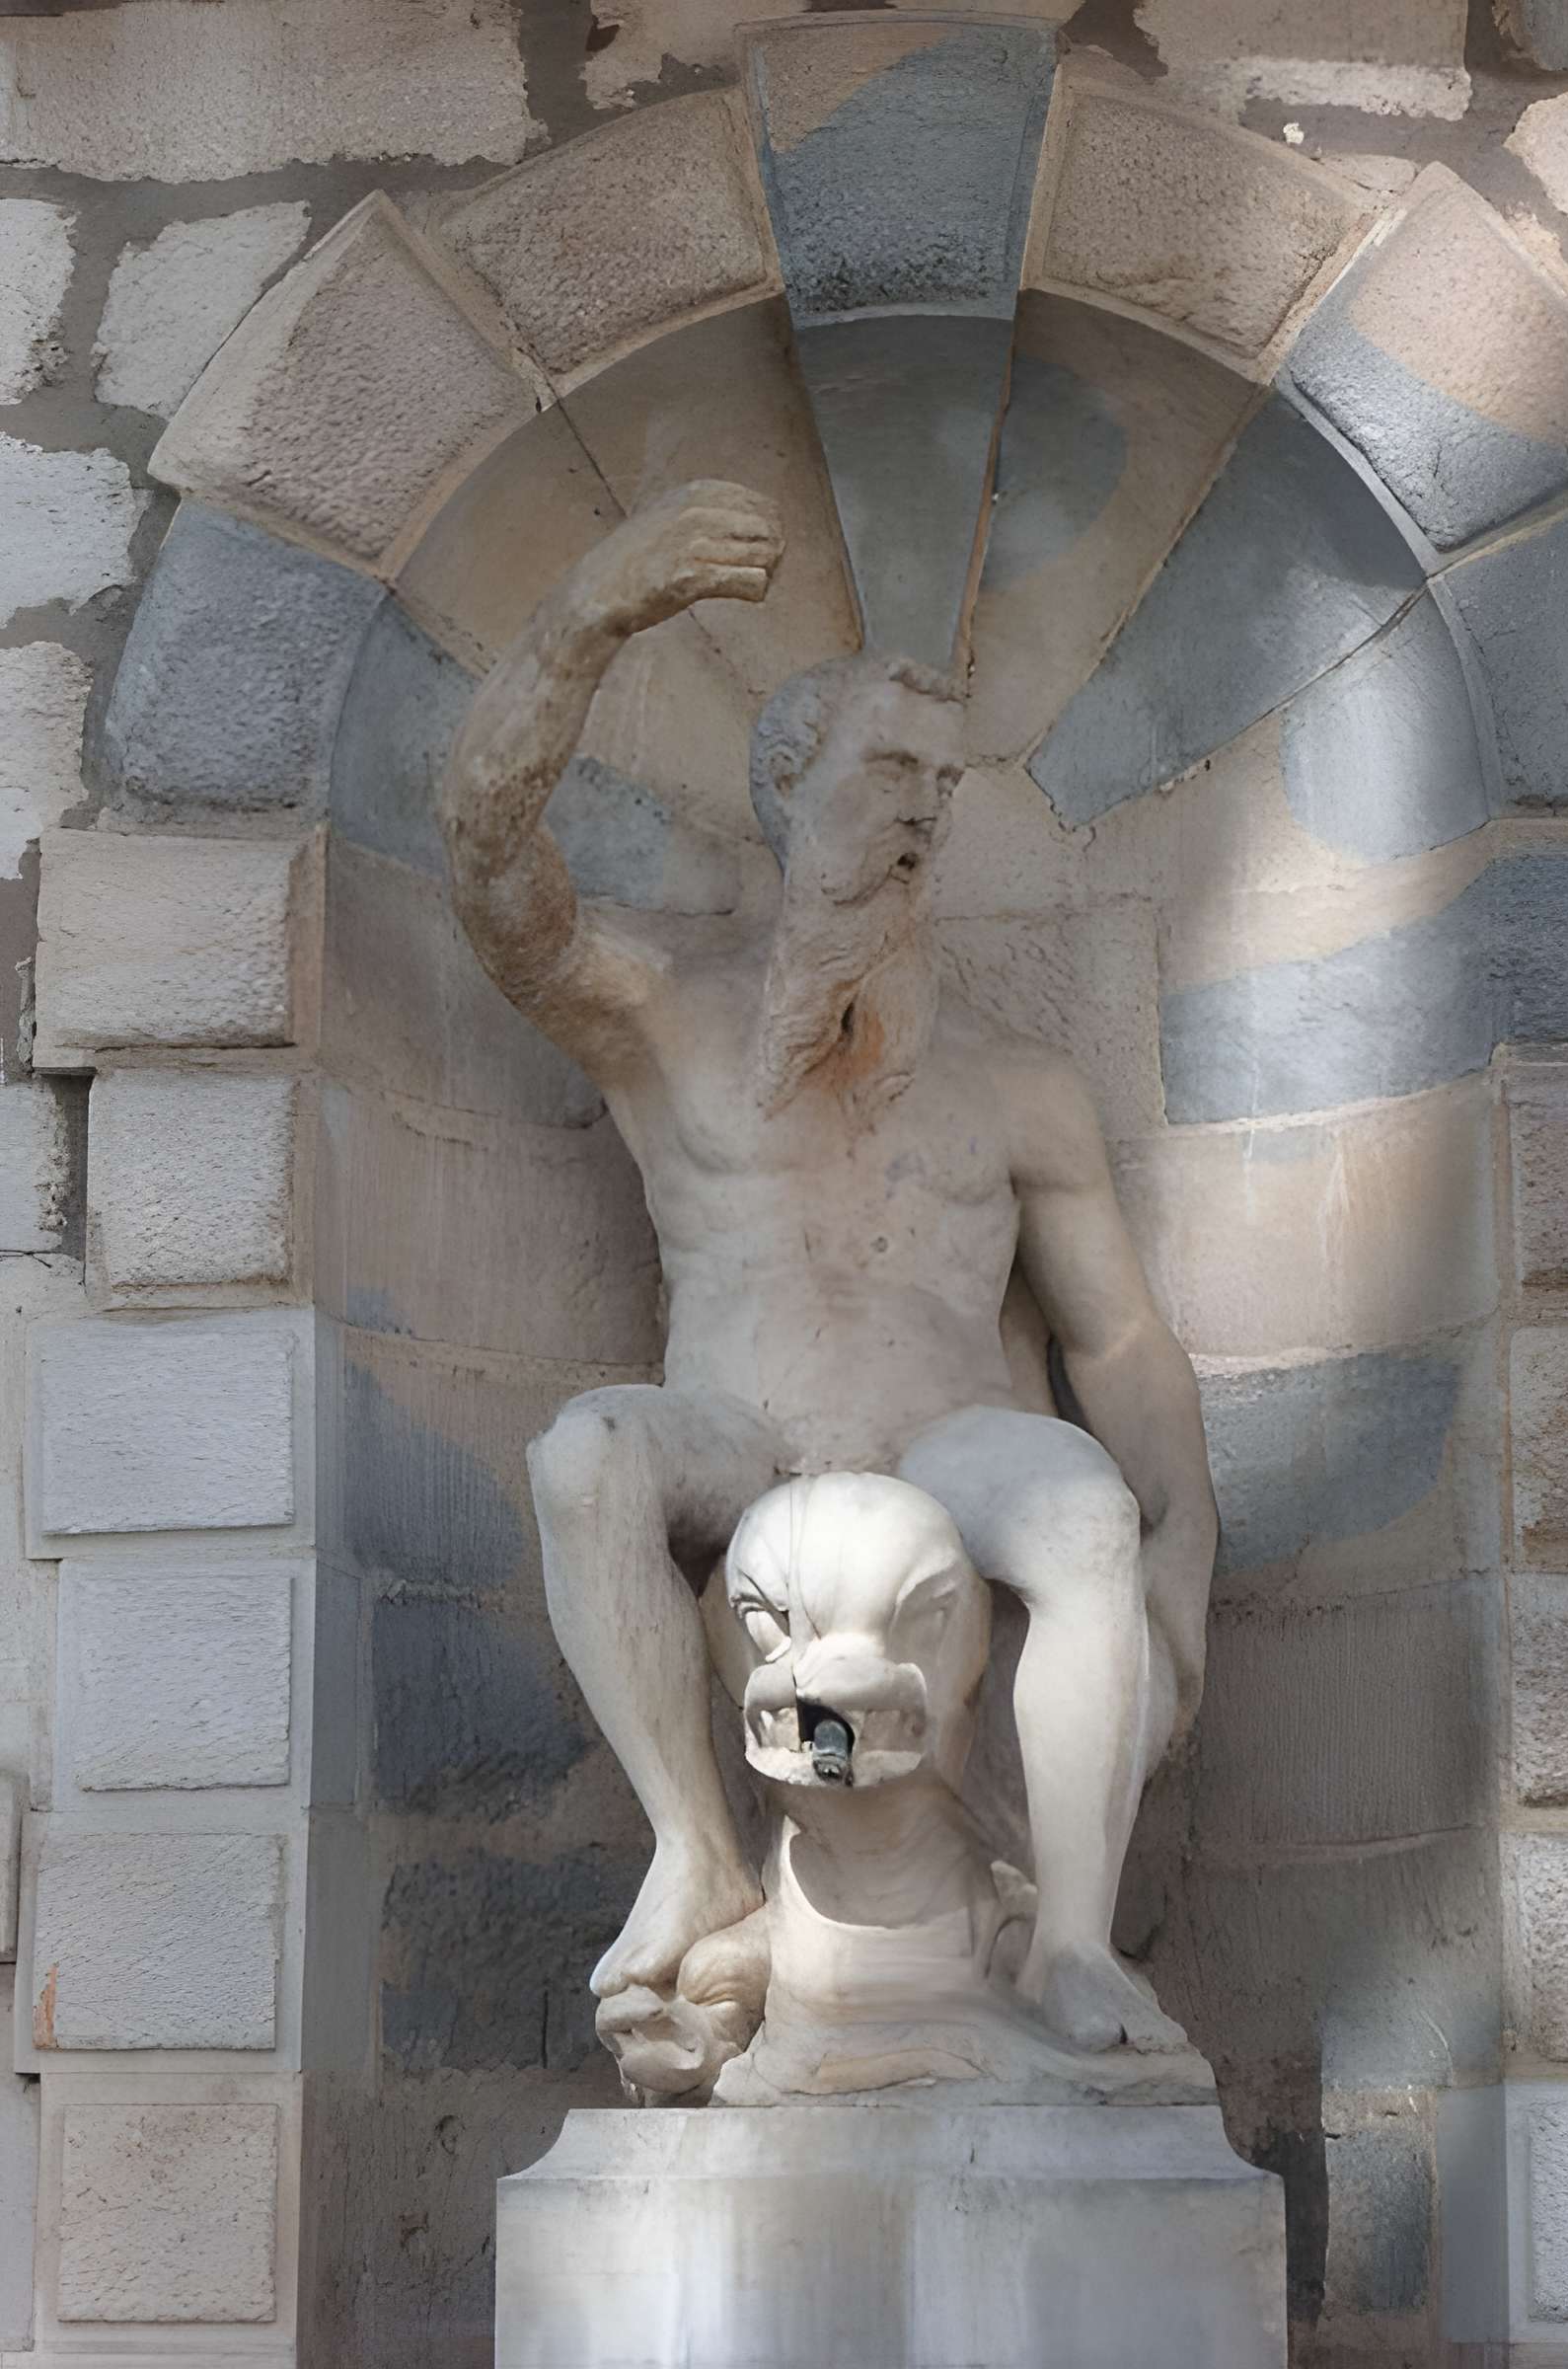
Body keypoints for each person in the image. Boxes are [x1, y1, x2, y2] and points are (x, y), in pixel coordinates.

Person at [438, 481, 1219, 2052]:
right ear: (791, 785)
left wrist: (1182, 1554)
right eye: (887, 770)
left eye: (945, 779)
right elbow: (488, 868)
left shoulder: (1016, 1086)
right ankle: (696, 1857)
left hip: (949, 1447)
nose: (923, 808)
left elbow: (1123, 1345)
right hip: (738, 1448)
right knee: (583, 1454)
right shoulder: (665, 1008)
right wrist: (590, 612)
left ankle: (1073, 1939)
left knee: (1074, 1500)